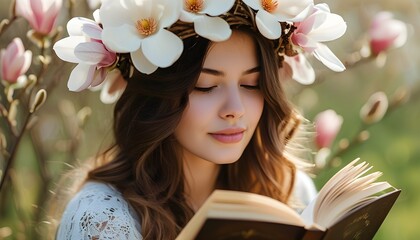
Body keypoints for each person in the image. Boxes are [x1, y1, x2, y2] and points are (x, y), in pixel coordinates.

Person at [53, 0, 345, 239]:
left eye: (251, 84)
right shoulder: (104, 221)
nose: (235, 109)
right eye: (205, 87)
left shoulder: (290, 191)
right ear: (158, 96)